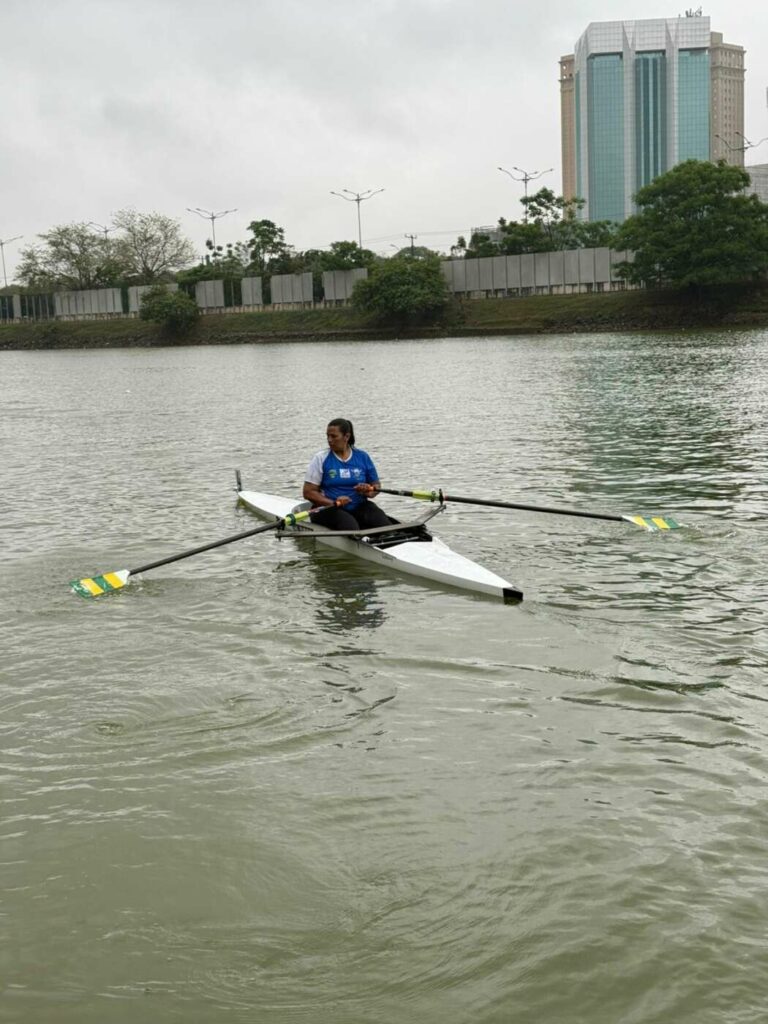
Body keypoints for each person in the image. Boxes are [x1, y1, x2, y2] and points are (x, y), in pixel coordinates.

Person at [303, 418, 392, 531]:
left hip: (359, 505)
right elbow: (308, 492)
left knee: (384, 524)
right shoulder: (321, 458)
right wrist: (335, 502)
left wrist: (369, 490)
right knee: (350, 526)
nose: (329, 440)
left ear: (346, 437)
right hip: (329, 508)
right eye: (328, 436)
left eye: (334, 436)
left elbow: (376, 486)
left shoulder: (362, 456)